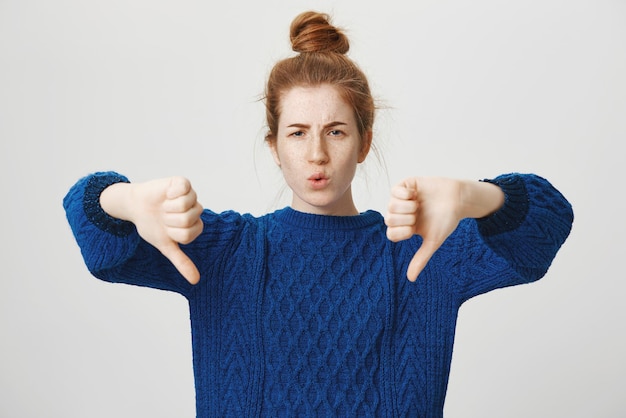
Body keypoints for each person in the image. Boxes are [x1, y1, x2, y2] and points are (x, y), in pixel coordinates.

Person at [63, 10, 574, 418]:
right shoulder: (224, 249)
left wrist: (476, 196)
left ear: (364, 142)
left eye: (335, 131)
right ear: (273, 146)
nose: (316, 155)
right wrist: (124, 202)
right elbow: (96, 241)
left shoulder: (420, 250)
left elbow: (546, 228)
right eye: (297, 132)